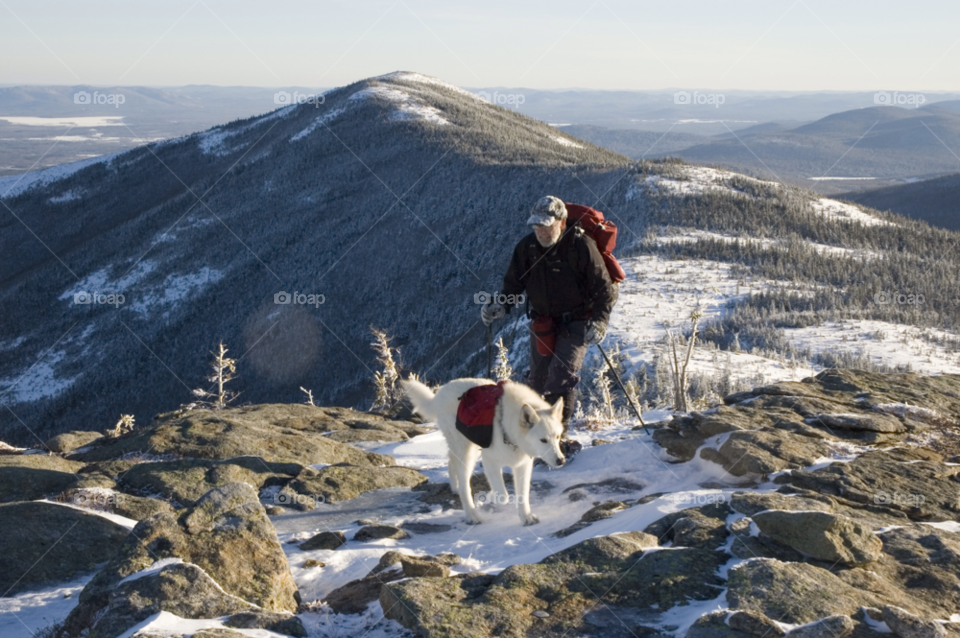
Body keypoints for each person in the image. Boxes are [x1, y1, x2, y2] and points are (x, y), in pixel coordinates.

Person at [481, 195, 617, 453]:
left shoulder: (581, 247)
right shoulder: (527, 248)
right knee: (538, 381)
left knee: (561, 377)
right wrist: (500, 305)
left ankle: (558, 439)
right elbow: (513, 285)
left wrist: (599, 322)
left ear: (562, 222)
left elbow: (603, 290)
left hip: (577, 322)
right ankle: (530, 438)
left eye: (546, 224)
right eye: (536, 225)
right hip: (543, 322)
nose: (540, 231)